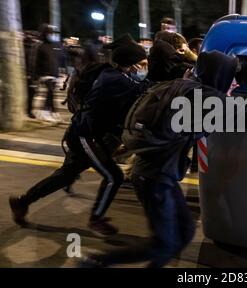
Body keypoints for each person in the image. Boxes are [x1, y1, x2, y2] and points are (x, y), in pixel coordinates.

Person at [80, 50, 247, 267]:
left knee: (186, 231)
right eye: (232, 79)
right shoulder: (205, 99)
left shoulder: (185, 87)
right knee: (163, 245)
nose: (235, 84)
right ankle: (96, 262)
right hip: (154, 179)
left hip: (159, 175)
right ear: (219, 76)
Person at [9, 34, 151, 235]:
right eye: (142, 63)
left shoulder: (116, 75)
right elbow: (145, 91)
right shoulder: (115, 79)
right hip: (86, 136)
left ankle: (22, 202)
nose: (144, 67)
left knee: (65, 176)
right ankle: (96, 218)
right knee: (114, 176)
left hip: (85, 133)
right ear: (131, 63)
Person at [34, 24, 64, 123]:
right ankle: (45, 111)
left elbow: (59, 59)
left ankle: (53, 112)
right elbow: (37, 62)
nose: (51, 35)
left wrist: (61, 71)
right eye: (49, 33)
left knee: (52, 93)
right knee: (50, 92)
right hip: (45, 74)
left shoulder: (55, 46)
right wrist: (36, 75)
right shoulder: (41, 46)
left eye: (52, 33)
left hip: (54, 73)